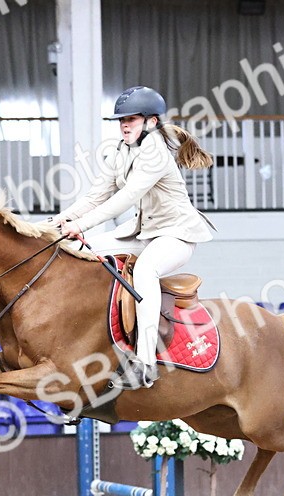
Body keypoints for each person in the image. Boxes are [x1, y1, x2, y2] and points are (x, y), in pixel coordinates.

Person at [53, 85, 214, 389]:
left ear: (151, 122)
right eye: (121, 120)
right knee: (81, 251)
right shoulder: (121, 151)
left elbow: (127, 197)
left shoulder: (157, 151)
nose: (124, 125)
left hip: (175, 236)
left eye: (132, 119)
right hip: (143, 233)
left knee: (145, 271)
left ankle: (145, 364)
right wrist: (63, 220)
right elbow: (97, 194)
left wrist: (83, 224)